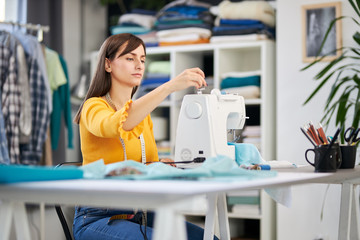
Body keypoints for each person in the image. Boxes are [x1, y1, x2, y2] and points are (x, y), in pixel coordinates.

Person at [72, 33, 215, 240]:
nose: (139, 65)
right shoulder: (93, 107)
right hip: (97, 218)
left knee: (209, 238)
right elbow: (116, 124)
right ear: (108, 64)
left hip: (138, 213)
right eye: (130, 58)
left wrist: (160, 166)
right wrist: (169, 86)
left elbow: (145, 165)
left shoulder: (143, 115)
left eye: (142, 59)